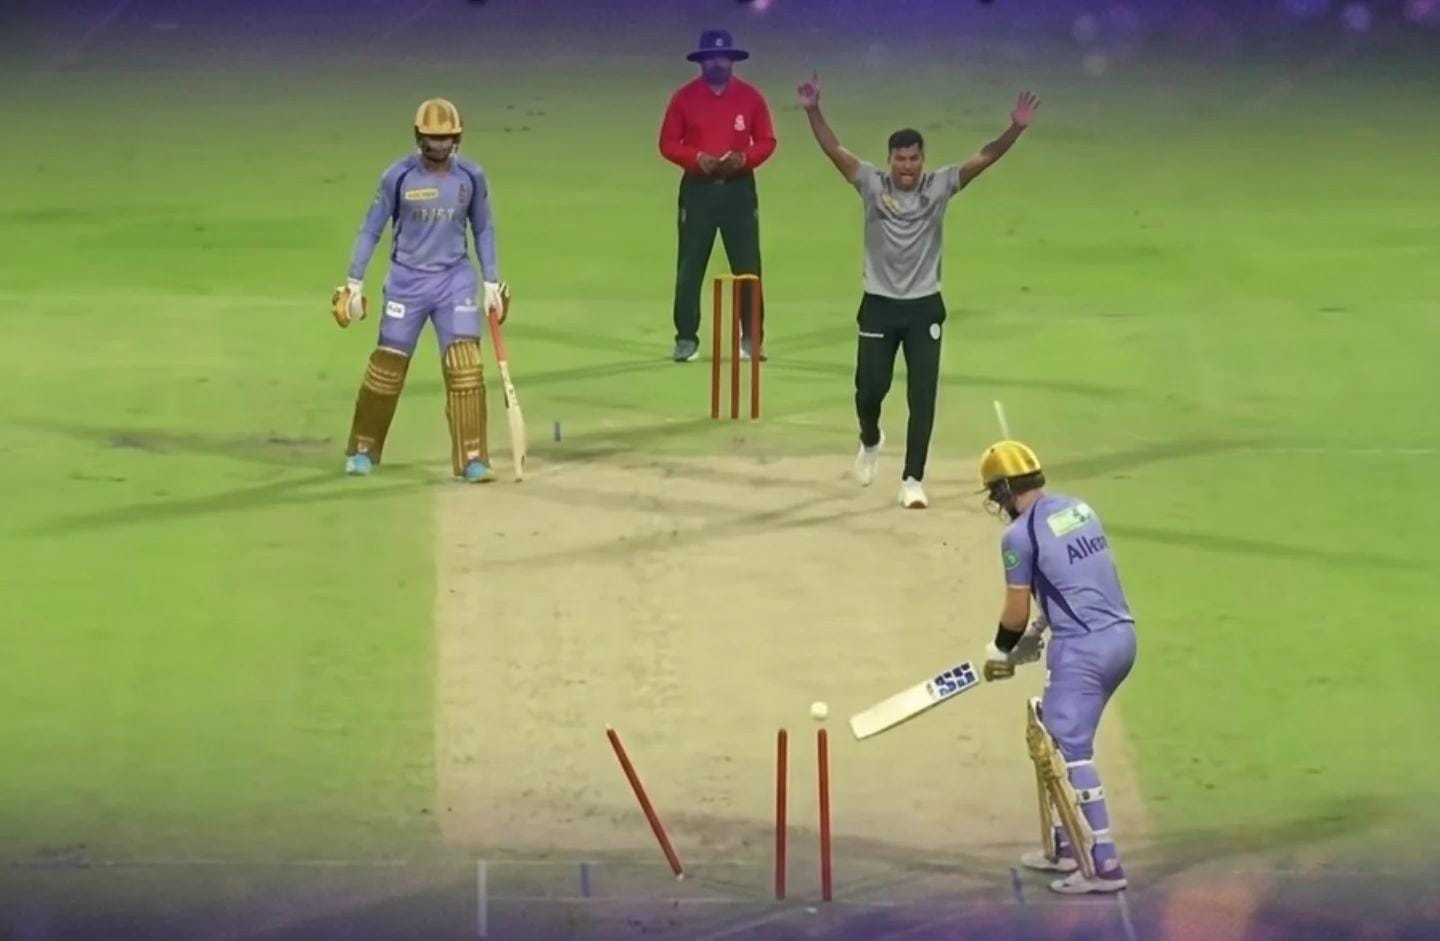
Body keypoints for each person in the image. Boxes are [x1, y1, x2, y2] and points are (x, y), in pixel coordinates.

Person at [796, 72, 1038, 508]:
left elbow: (983, 158)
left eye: (914, 158)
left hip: (924, 306)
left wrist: (1015, 129)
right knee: (869, 390)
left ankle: (912, 479)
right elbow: (834, 149)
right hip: (879, 304)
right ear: (889, 159)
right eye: (900, 159)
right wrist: (813, 110)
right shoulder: (871, 183)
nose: (907, 166)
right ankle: (870, 439)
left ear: (923, 159)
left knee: (921, 397)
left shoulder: (940, 185)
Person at [977, 440, 1138, 895]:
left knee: (1071, 746)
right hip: (1121, 638)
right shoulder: (1079, 510)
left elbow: (1015, 612)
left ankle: (1105, 864)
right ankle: (1067, 846)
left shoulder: (1017, 536)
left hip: (1083, 650)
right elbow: (1073, 587)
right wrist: (1032, 639)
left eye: (995, 492)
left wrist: (1001, 651)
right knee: (1049, 733)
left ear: (1004, 489)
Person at [331, 98, 510, 483]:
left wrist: (491, 281)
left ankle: (472, 458)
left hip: (454, 281)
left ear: (457, 138)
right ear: (419, 137)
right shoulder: (397, 177)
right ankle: (363, 448)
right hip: (406, 283)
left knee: (465, 368)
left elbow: (483, 228)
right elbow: (370, 229)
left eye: (445, 138)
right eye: (432, 138)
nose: (439, 145)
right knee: (387, 368)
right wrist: (354, 281)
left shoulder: (472, 176)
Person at [659, 28, 777, 363]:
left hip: (739, 191)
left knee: (747, 265)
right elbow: (667, 143)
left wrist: (744, 159)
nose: (717, 63)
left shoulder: (751, 97)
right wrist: (696, 158)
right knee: (690, 266)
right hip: (698, 191)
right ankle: (685, 338)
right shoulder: (683, 98)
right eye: (711, 58)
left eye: (722, 57)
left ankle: (752, 339)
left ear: (731, 60)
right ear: (701, 62)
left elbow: (767, 141)